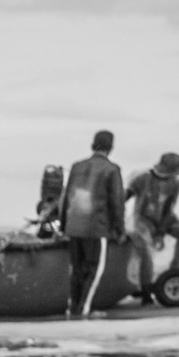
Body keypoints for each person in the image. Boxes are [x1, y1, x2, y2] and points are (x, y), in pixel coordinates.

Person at [58, 130, 128, 318]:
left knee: (77, 270)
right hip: (96, 228)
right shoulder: (112, 170)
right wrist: (120, 230)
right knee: (93, 271)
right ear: (111, 147)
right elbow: (116, 203)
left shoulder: (77, 167)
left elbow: (66, 198)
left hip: (74, 226)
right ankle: (84, 311)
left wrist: (63, 225)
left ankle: (72, 308)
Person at [125, 152, 179, 299]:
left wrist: (160, 232)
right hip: (143, 220)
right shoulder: (142, 178)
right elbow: (126, 196)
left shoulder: (176, 183)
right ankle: (146, 290)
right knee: (146, 252)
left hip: (164, 219)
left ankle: (174, 270)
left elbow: (168, 207)